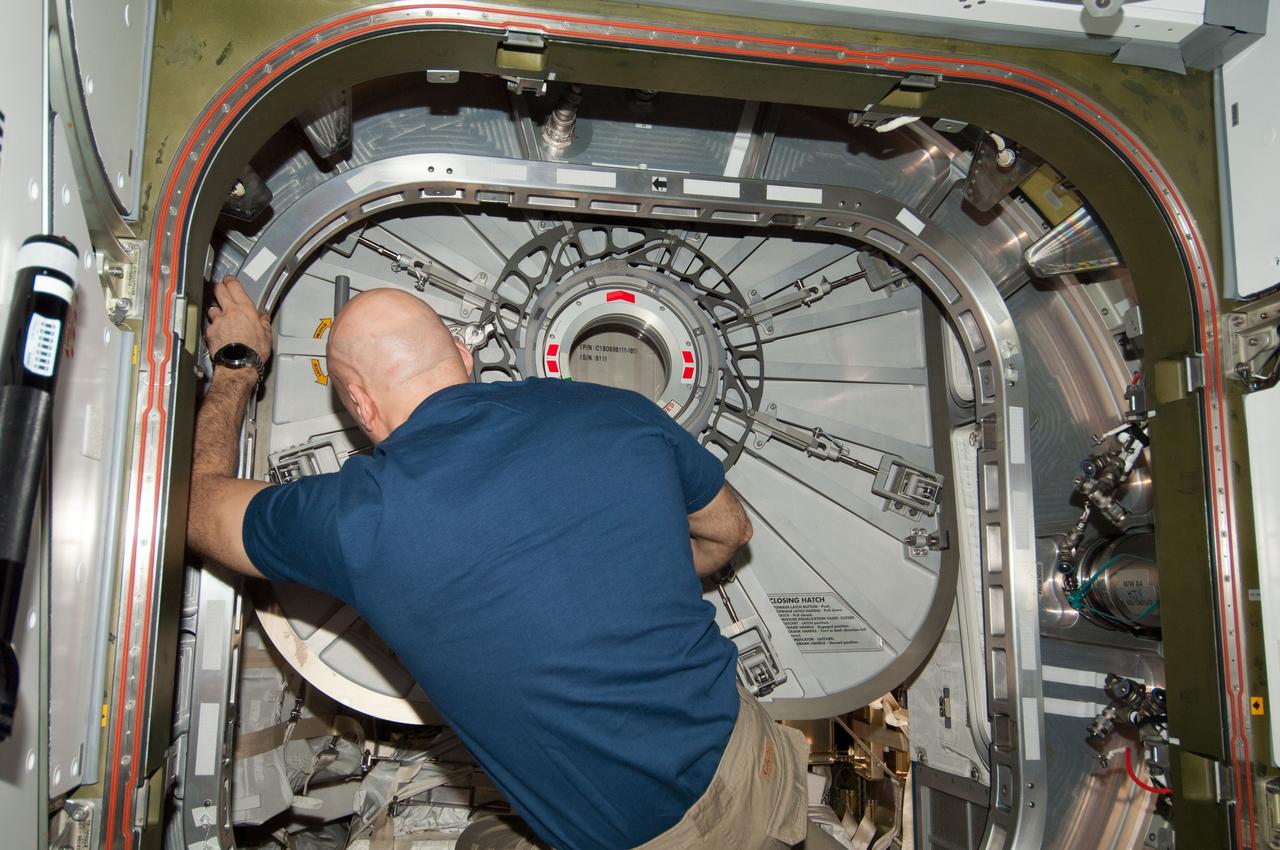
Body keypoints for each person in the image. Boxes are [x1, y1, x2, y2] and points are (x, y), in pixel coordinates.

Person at [187, 276, 810, 850]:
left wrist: (238, 366)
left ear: (359, 403)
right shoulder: (618, 409)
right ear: (462, 355)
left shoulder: (359, 518)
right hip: (756, 759)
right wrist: (636, 568)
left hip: (655, 838)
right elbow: (731, 529)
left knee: (476, 838)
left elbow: (194, 508)